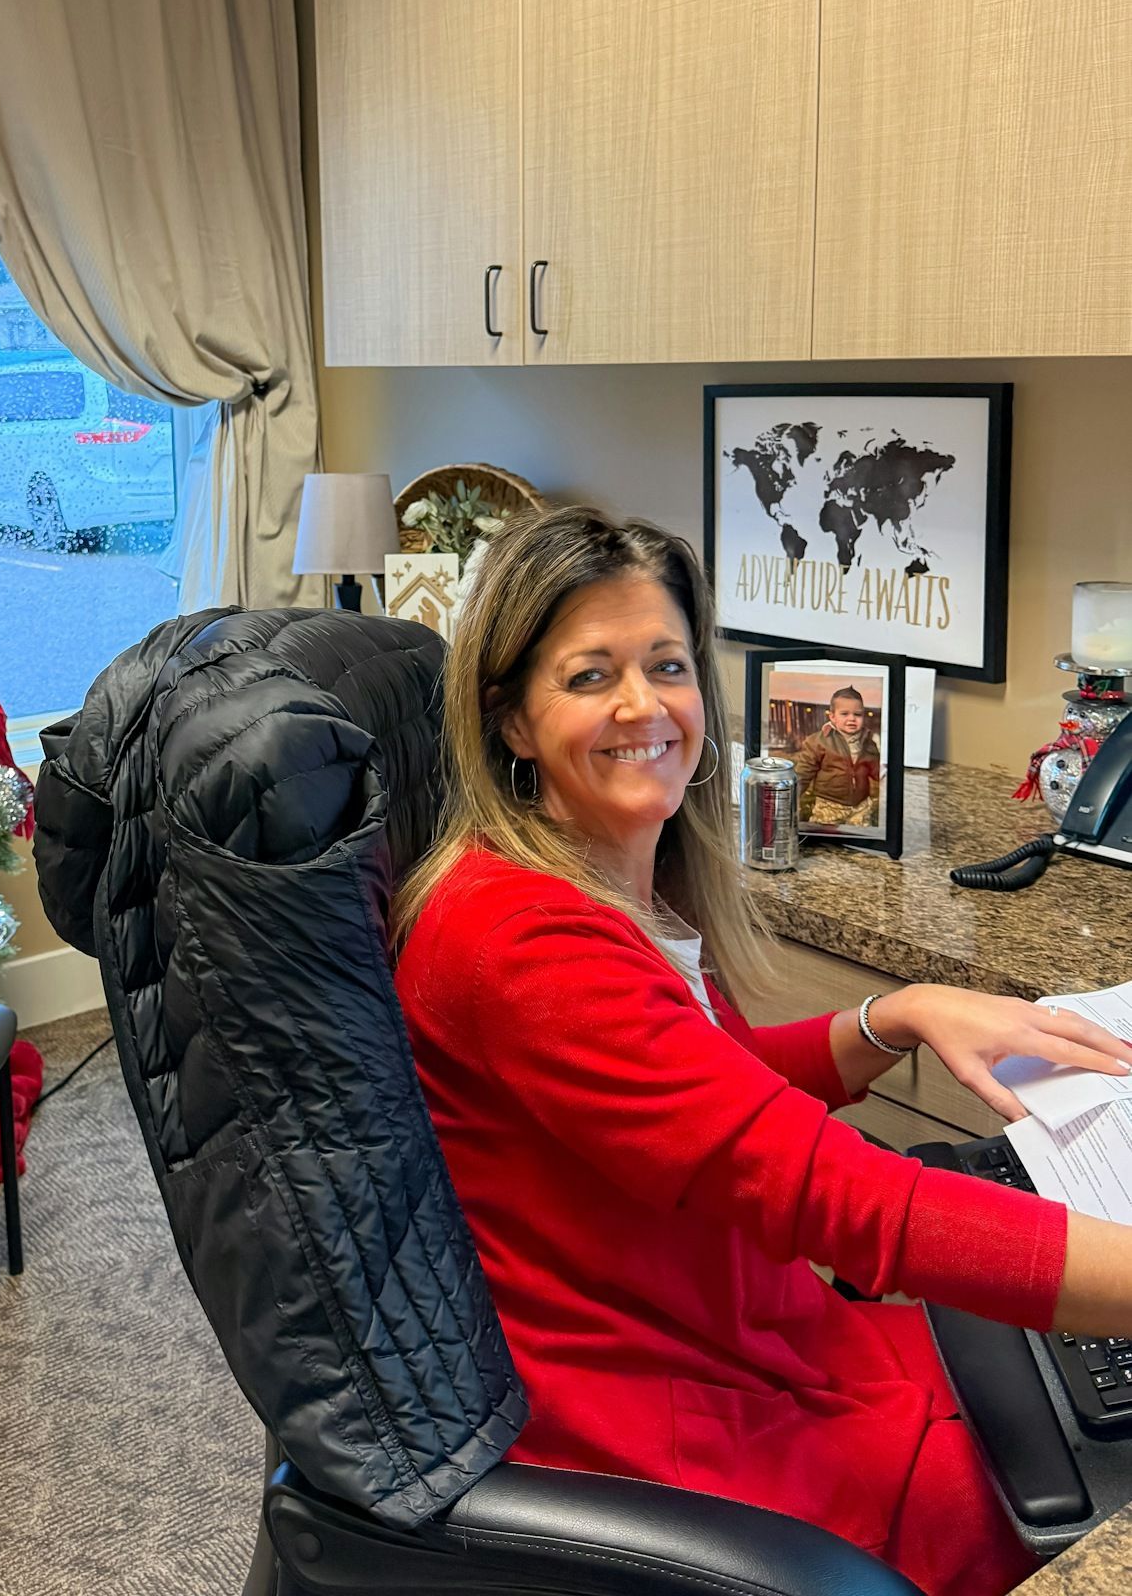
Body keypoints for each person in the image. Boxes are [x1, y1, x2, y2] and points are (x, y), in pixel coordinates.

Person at [392, 505, 1132, 1596]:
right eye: (591, 675)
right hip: (677, 1415)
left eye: (667, 663)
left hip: (753, 1335)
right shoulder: (520, 940)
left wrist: (899, 1013)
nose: (645, 705)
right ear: (508, 719)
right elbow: (846, 1201)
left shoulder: (603, 884)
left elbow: (713, 1095)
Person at [794, 683, 881, 825]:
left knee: (861, 838)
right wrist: (794, 795)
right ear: (833, 717)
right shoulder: (819, 741)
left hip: (861, 804)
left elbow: (876, 769)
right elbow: (804, 771)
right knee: (825, 836)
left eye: (857, 714)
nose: (852, 719)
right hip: (829, 805)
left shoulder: (867, 742)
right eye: (845, 714)